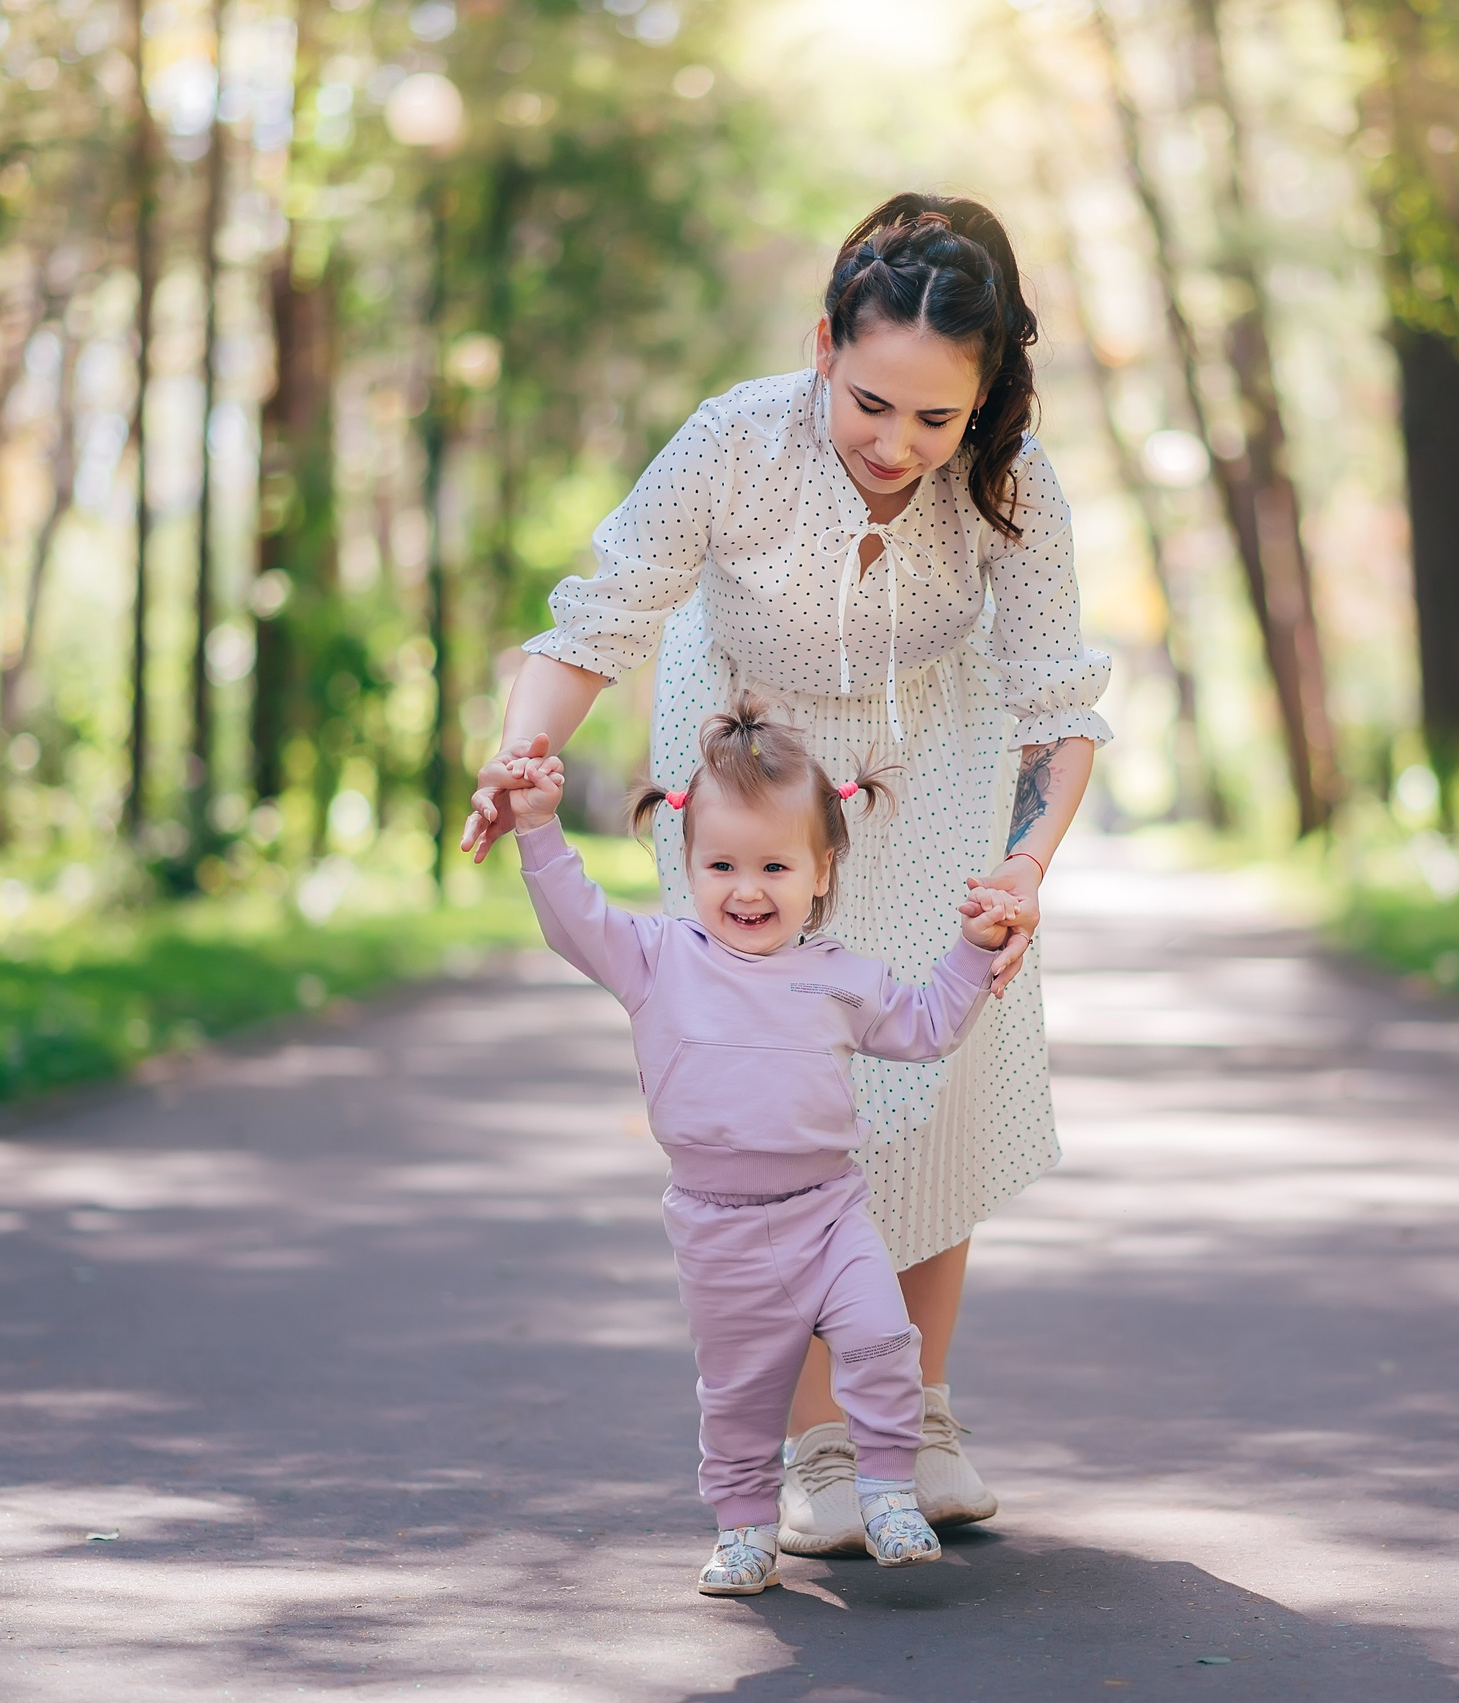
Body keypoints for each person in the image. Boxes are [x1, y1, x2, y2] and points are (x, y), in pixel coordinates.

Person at [462, 192, 1111, 1554]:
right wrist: (518, 760)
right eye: (874, 402)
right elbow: (604, 612)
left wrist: (1023, 868)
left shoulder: (1012, 483)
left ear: (985, 399)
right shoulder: (734, 441)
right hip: (752, 760)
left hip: (937, 751)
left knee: (935, 1077)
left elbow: (1057, 703)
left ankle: (917, 1412)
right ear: (825, 343)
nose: (897, 445)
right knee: (797, 1085)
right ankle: (817, 1437)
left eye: (939, 419)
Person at [497, 696, 1029, 1595]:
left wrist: (973, 950)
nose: (747, 888)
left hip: (828, 1211)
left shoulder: (838, 977)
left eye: (775, 865)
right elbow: (573, 919)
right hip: (717, 1227)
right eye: (722, 864)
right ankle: (744, 1528)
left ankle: (889, 1489)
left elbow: (931, 1023)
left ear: (822, 872)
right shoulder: (656, 957)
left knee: (879, 1339)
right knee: (739, 1396)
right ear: (688, 861)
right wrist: (538, 829)